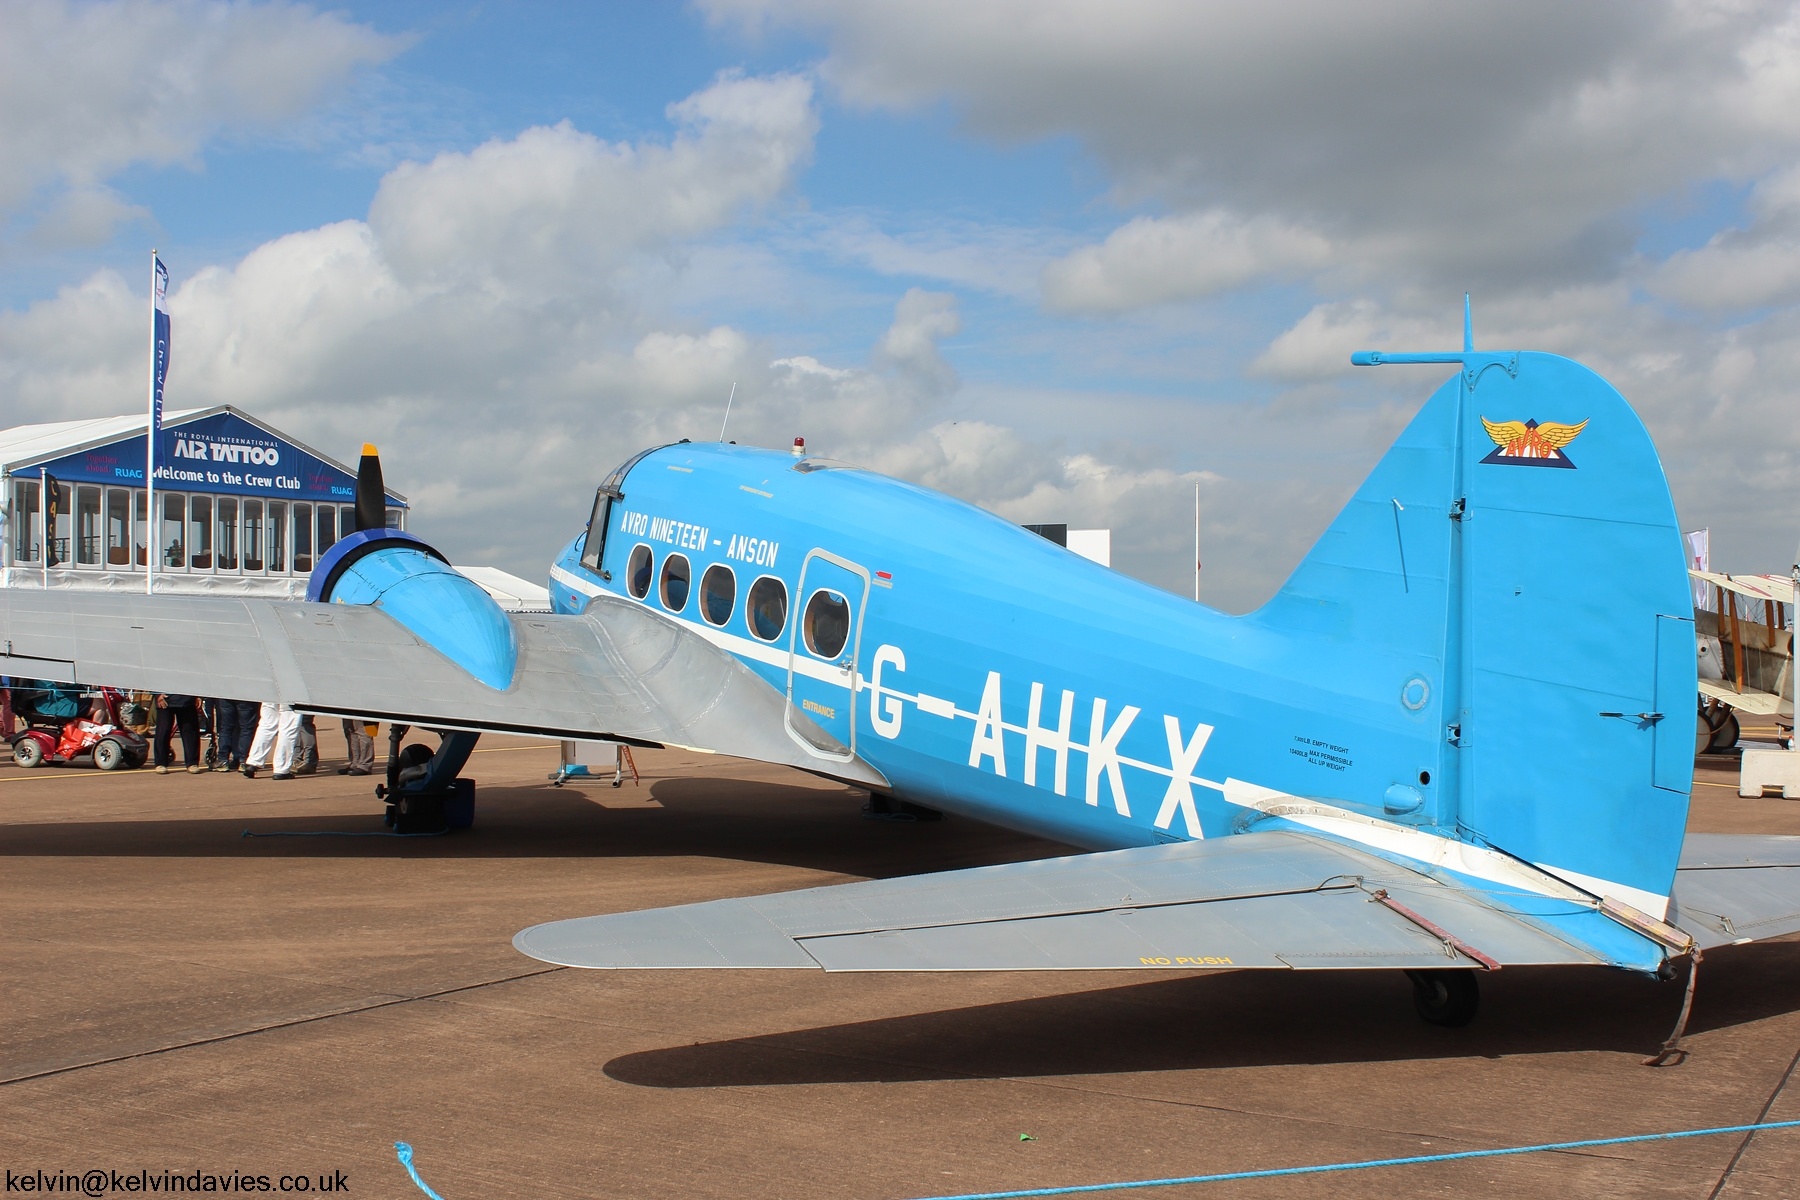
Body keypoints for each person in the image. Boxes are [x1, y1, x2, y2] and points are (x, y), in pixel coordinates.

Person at [243, 701, 301, 780]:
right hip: (291, 694)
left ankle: (253, 762)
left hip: (270, 692)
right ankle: (281, 769)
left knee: (267, 725)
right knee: (288, 729)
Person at [152, 694, 204, 775]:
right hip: (165, 698)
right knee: (163, 730)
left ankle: (192, 763)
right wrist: (157, 694)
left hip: (187, 699)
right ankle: (160, 763)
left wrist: (198, 695)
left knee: (190, 731)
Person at [213, 699, 256, 772]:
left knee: (226, 727)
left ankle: (223, 760)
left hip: (226, 693)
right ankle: (243, 761)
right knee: (246, 728)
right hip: (245, 695)